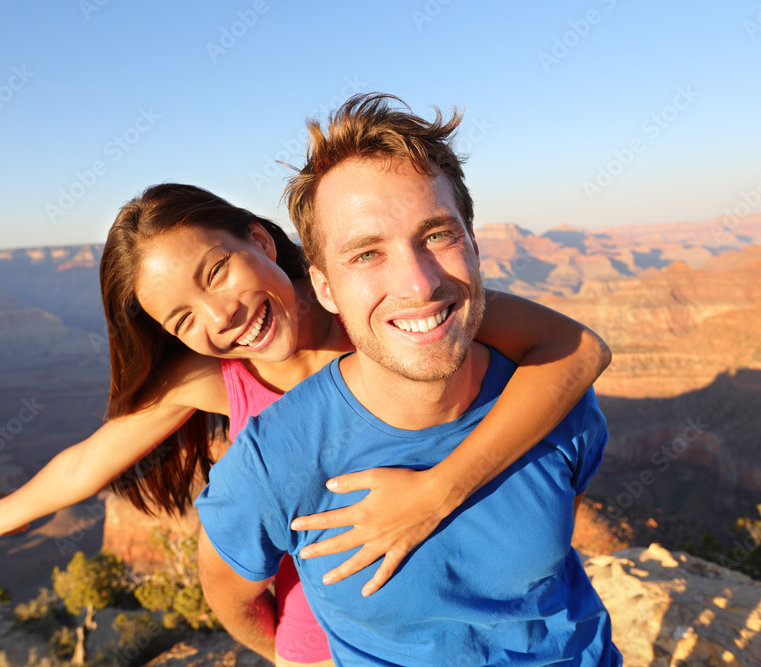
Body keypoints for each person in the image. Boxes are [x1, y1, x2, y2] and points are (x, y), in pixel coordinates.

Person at [0, 184, 608, 662]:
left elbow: (575, 351)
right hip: (329, 612)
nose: (219, 316)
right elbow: (91, 460)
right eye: (182, 318)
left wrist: (437, 492)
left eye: (216, 271)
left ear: (259, 240)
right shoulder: (215, 378)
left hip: (474, 590)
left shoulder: (385, 311)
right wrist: (5, 515)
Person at [195, 93, 622, 666]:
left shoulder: (553, 400)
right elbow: (230, 595)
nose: (418, 284)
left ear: (473, 244)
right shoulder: (274, 463)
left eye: (438, 236)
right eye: (367, 254)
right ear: (324, 288)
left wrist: (440, 493)